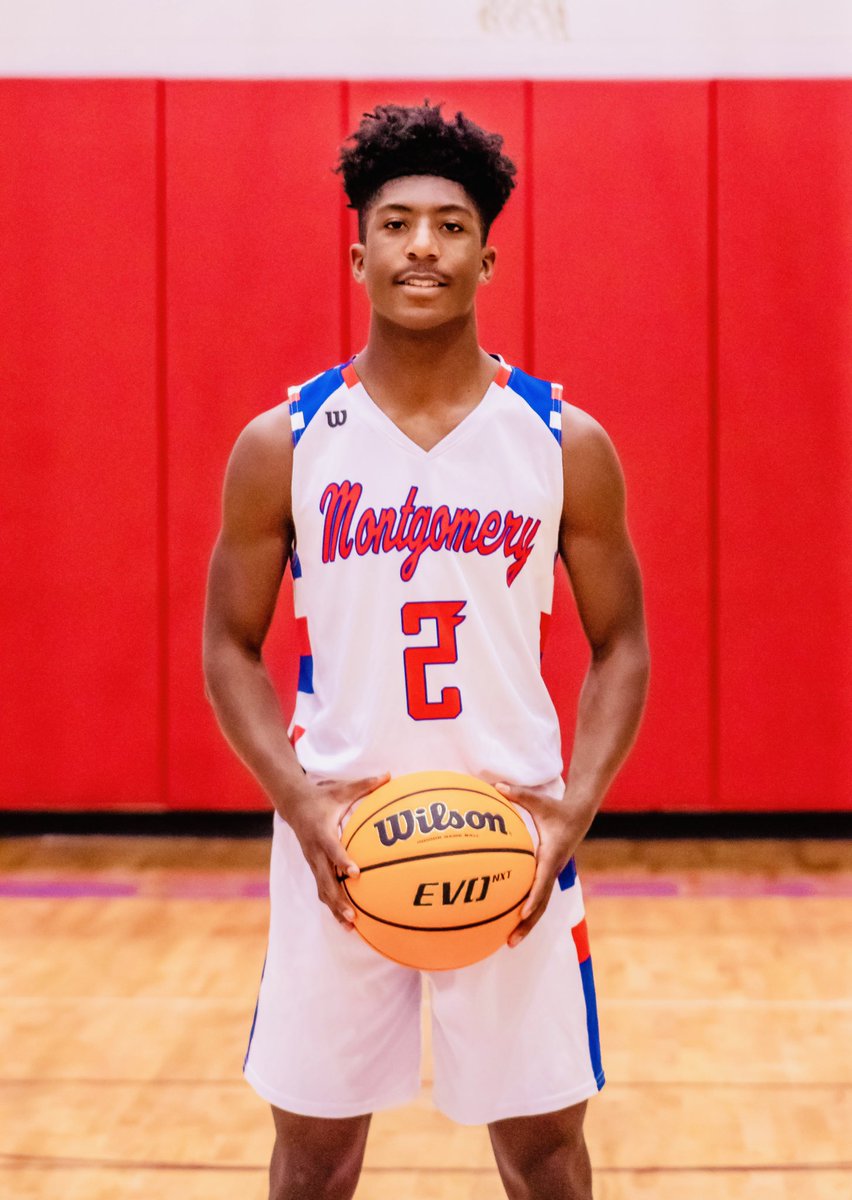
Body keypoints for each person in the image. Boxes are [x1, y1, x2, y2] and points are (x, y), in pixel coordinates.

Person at [203, 101, 649, 1200]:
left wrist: (570, 811)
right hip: (340, 850)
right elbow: (227, 642)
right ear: (357, 254)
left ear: (487, 256)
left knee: (544, 1146)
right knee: (313, 1150)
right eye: (397, 224)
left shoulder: (562, 442)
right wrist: (302, 806)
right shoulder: (286, 444)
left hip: (518, 837)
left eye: (450, 227)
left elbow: (623, 640)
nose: (422, 247)